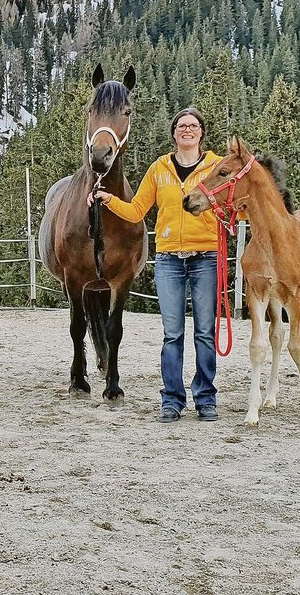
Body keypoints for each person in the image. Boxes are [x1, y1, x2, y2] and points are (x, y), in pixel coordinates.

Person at [91, 107, 223, 422]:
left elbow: (234, 203)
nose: (187, 130)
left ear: (201, 132)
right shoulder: (159, 168)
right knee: (172, 333)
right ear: (174, 132)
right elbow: (137, 210)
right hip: (169, 259)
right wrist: (109, 200)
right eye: (181, 125)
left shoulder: (216, 166)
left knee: (205, 332)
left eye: (193, 125)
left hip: (206, 256)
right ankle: (172, 400)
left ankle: (206, 399)